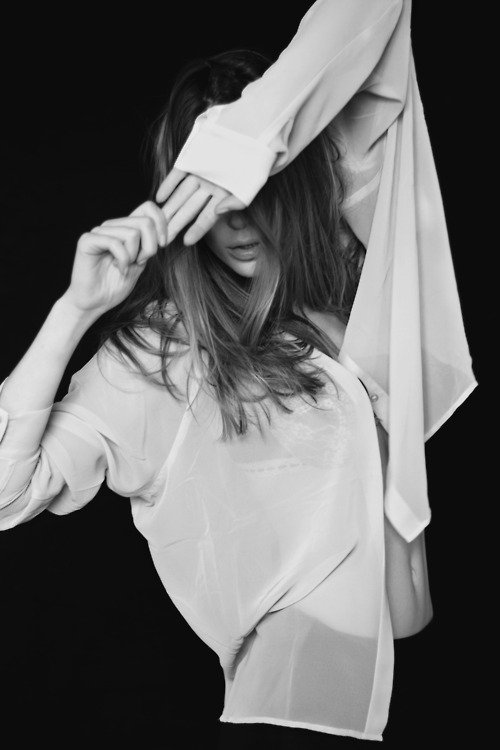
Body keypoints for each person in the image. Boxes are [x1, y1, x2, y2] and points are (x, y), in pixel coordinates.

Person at [0, 0, 477, 746]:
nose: (237, 219)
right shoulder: (166, 354)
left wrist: (258, 132)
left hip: (432, 682)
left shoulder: (355, 287)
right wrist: (73, 311)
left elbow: (373, 22)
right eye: (212, 195)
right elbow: (6, 491)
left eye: (251, 188)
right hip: (301, 704)